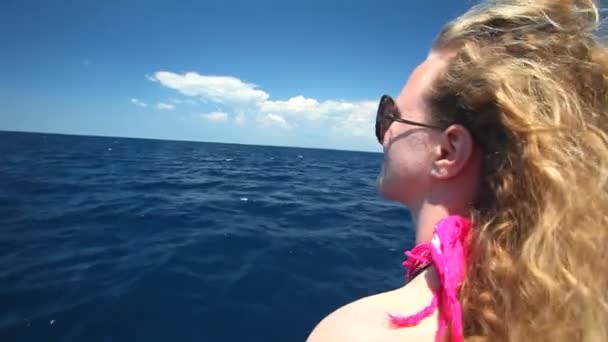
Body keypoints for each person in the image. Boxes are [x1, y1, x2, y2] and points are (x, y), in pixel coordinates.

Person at [307, 0, 608, 341]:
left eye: (391, 115)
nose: (384, 132)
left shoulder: (356, 332)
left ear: (448, 152)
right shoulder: (568, 303)